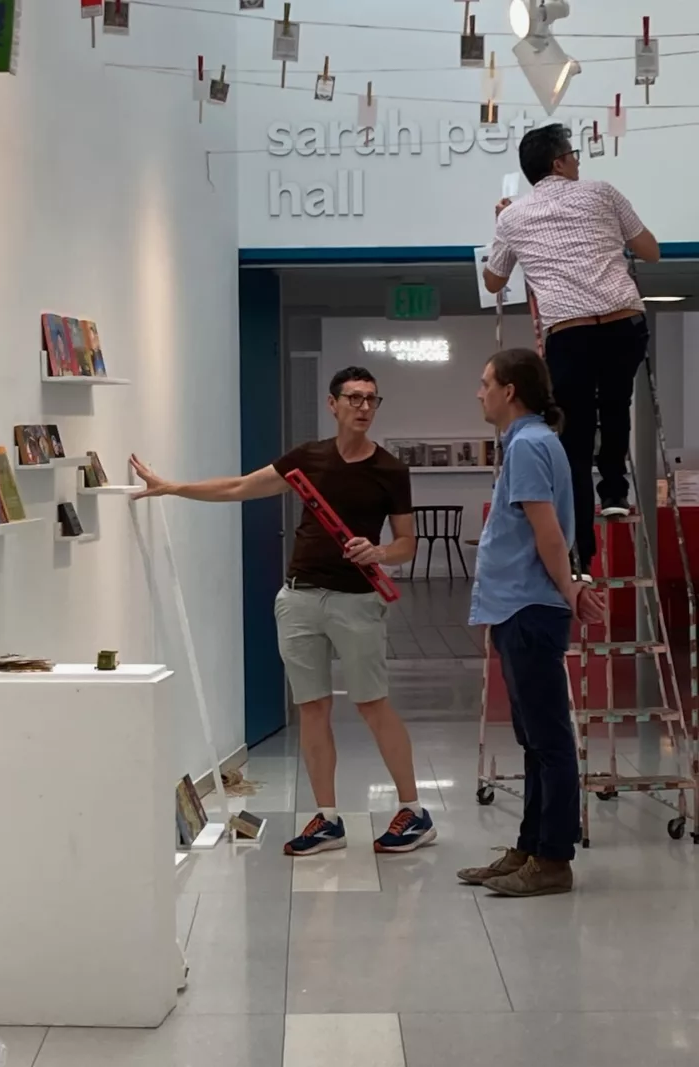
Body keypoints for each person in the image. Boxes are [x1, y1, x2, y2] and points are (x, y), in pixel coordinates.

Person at [129, 366, 437, 857]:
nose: (362, 407)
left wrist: (378, 553)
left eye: (371, 400)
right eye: (353, 398)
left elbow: (406, 544)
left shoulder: (390, 470)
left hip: (358, 601)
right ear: (332, 404)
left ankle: (415, 811)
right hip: (298, 599)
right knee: (312, 708)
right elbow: (240, 488)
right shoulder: (307, 459)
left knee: (372, 704)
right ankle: (327, 819)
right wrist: (172, 488)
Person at [483, 123, 660, 578]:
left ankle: (582, 554)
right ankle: (616, 495)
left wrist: (501, 222)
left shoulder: (513, 216)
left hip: (570, 330)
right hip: (624, 319)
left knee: (574, 439)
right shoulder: (602, 192)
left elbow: (494, 280)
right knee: (616, 404)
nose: (579, 162)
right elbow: (650, 251)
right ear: (559, 162)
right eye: (574, 154)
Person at [459, 349, 604, 897]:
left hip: (530, 607)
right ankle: (529, 846)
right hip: (516, 606)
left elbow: (548, 533)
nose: (479, 392)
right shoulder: (527, 443)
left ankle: (553, 858)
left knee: (549, 740)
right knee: (533, 739)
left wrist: (568, 590)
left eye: (484, 382)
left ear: (510, 390)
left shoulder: (530, 444)